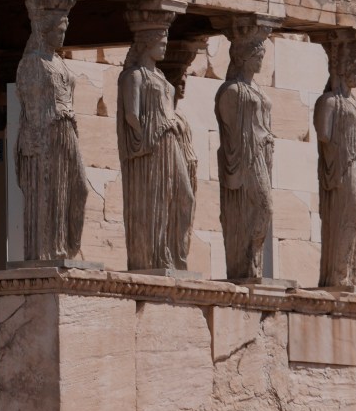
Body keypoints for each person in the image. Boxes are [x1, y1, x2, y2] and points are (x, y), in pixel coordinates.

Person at [117, 18, 196, 270]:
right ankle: (156, 257)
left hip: (170, 140)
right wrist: (146, 137)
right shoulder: (134, 76)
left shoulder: (160, 76)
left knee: (185, 196)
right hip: (153, 143)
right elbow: (131, 114)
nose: (164, 47)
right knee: (157, 198)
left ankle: (176, 255)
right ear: (146, 44)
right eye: (160, 43)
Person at [15, 0, 88, 260]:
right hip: (46, 132)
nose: (62, 35)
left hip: (67, 130)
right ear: (45, 30)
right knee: (49, 190)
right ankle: (49, 250)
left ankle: (66, 247)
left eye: (64, 30)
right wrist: (34, 140)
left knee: (79, 187)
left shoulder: (59, 61)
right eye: (58, 30)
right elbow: (29, 104)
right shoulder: (32, 63)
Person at [215, 28, 273, 280]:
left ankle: (254, 263)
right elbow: (231, 133)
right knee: (264, 206)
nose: (261, 60)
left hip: (263, 154)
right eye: (257, 55)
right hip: (247, 158)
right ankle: (245, 262)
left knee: (262, 209)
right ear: (243, 57)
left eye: (262, 55)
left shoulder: (255, 88)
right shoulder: (232, 91)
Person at [314, 37, 356, 288]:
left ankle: (345, 272)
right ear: (343, 69)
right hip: (341, 167)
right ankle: (337, 273)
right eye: (355, 70)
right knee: (349, 213)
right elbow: (324, 135)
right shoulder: (328, 102)